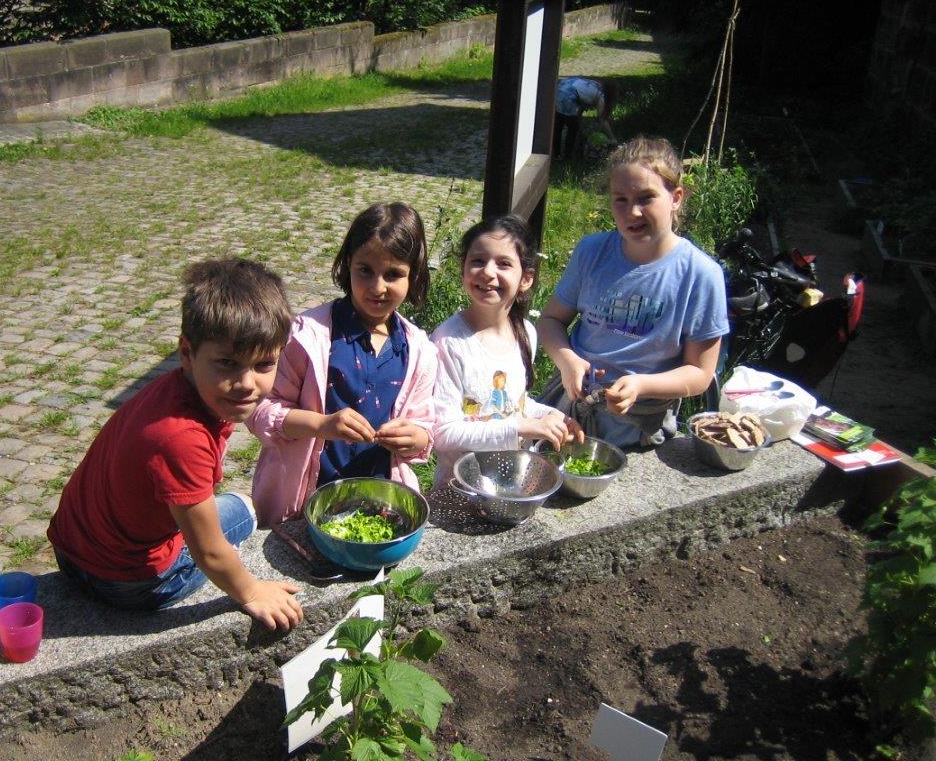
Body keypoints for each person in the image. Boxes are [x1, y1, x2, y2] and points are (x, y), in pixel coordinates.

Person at [48, 257, 304, 631]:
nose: (247, 383)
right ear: (186, 352)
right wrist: (251, 592)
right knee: (246, 512)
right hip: (130, 583)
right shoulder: (182, 439)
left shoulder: (179, 388)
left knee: (233, 507)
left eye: (264, 364)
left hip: (71, 551)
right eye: (228, 363)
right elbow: (210, 553)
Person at [249, 202, 438, 525]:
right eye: (365, 270)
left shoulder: (419, 351)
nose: (378, 287)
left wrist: (415, 438)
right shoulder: (306, 337)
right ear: (348, 263)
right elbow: (260, 411)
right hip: (303, 503)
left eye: (393, 274)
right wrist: (322, 425)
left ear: (414, 275)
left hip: (380, 506)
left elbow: (424, 428)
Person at [536, 136, 729, 448]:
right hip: (570, 410)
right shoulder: (591, 252)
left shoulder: (701, 275)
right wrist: (567, 359)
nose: (632, 212)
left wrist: (641, 385)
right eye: (621, 199)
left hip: (641, 424)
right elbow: (550, 321)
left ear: (676, 198)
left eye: (646, 198)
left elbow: (699, 374)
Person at [430, 214, 583, 488]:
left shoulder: (526, 332)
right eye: (478, 261)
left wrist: (551, 417)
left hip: (513, 484)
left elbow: (512, 405)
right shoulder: (448, 342)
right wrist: (522, 427)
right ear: (463, 270)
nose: (488, 272)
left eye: (504, 263)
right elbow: (442, 432)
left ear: (526, 279)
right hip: (460, 490)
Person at [553, 76, 620, 159]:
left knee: (558, 125)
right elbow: (602, 119)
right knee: (573, 129)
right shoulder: (601, 96)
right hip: (568, 94)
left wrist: (579, 120)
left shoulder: (595, 85)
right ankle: (567, 156)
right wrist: (612, 138)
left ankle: (556, 155)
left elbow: (580, 103)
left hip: (561, 87)